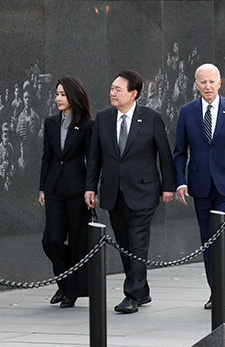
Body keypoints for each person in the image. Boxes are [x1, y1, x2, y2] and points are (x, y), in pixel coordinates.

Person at [85, 69, 176, 314]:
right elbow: (95, 157)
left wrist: (169, 186)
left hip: (144, 191)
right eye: (112, 88)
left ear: (133, 94)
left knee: (138, 243)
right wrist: (89, 188)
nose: (112, 93)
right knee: (124, 243)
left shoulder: (151, 118)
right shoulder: (103, 118)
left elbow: (164, 154)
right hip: (114, 192)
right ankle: (142, 289)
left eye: (118, 89)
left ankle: (131, 295)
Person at [172, 63, 225, 309]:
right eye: (202, 82)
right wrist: (180, 182)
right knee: (207, 238)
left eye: (211, 81)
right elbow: (179, 152)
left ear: (219, 83)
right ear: (196, 84)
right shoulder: (187, 111)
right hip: (200, 185)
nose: (207, 86)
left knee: (224, 235)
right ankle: (216, 290)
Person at [38, 76, 94, 308]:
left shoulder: (87, 124)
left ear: (73, 96)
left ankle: (70, 290)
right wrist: (42, 187)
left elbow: (92, 160)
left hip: (77, 190)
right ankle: (65, 281)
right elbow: (47, 157)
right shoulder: (50, 122)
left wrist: (91, 188)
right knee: (51, 240)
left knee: (78, 240)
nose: (58, 98)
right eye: (57, 94)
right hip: (53, 189)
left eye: (63, 94)